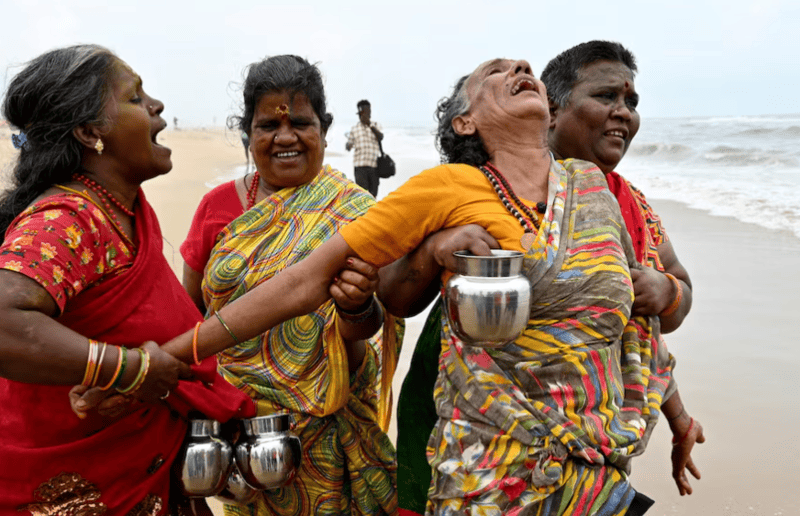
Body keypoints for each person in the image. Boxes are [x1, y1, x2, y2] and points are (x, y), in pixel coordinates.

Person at [160, 57, 677, 515]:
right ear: (465, 120)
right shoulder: (449, 188)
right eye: (494, 72)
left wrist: (675, 407)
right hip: (492, 468)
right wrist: (166, 356)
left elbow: (633, 328)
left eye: (524, 69)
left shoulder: (592, 191)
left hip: (599, 461)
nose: (519, 67)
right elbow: (310, 281)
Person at [393, 41, 706, 514]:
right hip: (476, 411)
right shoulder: (478, 183)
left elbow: (651, 324)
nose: (623, 113)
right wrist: (440, 248)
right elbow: (396, 293)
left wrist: (667, 292)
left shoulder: (628, 204)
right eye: (605, 97)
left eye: (632, 103)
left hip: (587, 430)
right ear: (552, 110)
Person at [0, 44, 254, 516]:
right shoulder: (68, 219)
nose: (157, 106)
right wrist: (128, 370)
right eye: (137, 98)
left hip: (148, 480)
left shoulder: (123, 217)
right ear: (90, 131)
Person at [179, 55, 403, 516]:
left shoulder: (359, 212)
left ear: (323, 127)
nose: (285, 137)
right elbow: (191, 317)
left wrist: (356, 309)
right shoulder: (216, 208)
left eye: (300, 122)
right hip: (241, 435)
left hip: (328, 429)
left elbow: (368, 331)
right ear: (248, 132)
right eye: (267, 126)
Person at [345, 99, 384, 197]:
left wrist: (370, 125)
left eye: (369, 111)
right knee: (362, 197)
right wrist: (348, 145)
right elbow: (348, 146)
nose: (368, 114)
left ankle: (371, 212)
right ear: (360, 113)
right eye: (366, 112)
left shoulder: (376, 125)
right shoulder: (354, 129)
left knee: (373, 196)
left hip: (374, 167)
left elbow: (381, 137)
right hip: (360, 168)